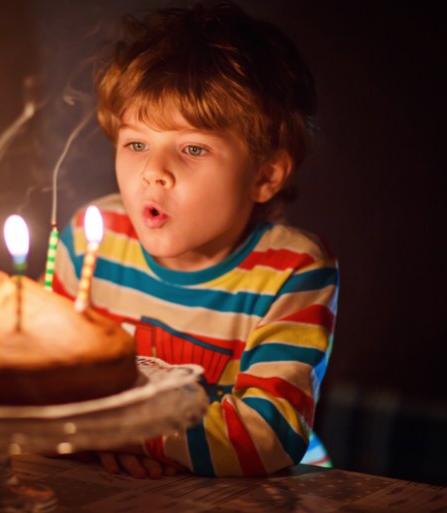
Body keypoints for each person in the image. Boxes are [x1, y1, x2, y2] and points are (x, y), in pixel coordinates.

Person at [53, 1, 338, 479]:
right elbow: (42, 387)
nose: (153, 172)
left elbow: (268, 435)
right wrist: (88, 442)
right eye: (136, 143)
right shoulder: (90, 238)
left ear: (265, 175)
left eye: (192, 148)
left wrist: (110, 426)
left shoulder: (291, 269)